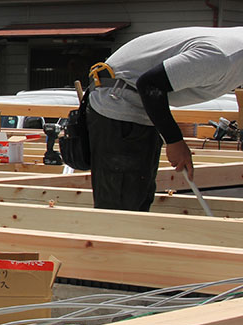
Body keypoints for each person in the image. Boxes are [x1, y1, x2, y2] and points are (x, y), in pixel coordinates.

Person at [86, 27, 243, 212]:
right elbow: (149, 84)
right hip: (119, 102)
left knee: (140, 195)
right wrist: (175, 141)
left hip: (140, 105)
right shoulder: (220, 58)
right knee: (122, 204)